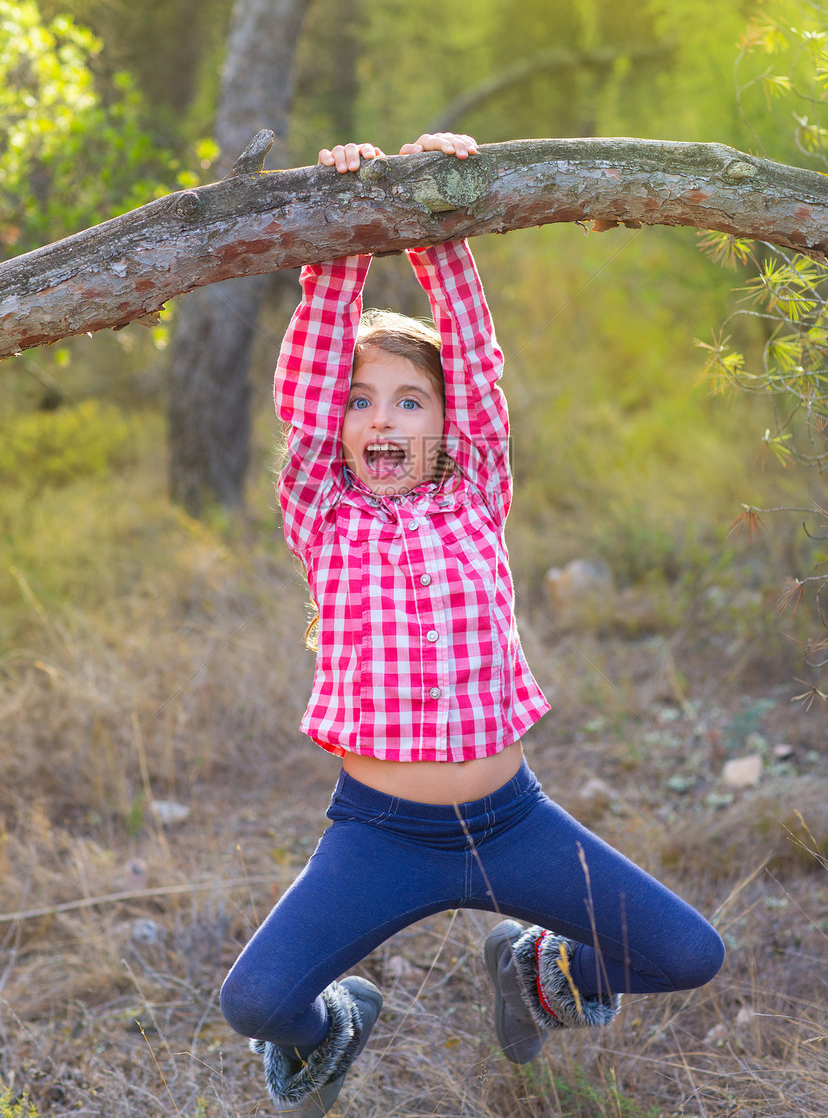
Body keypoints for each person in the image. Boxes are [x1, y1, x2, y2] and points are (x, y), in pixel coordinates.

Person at [219, 132, 724, 1116]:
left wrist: (436, 213)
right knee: (257, 1001)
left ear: (445, 426)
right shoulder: (323, 510)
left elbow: (480, 375)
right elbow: (304, 399)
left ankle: (541, 975)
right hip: (379, 837)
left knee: (684, 953)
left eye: (411, 402)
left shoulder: (473, 493)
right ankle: (338, 1029)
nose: (383, 421)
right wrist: (346, 225)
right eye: (362, 403)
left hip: (510, 822)